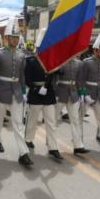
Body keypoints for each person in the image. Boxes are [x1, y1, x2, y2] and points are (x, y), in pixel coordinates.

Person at [0, 19, 33, 167]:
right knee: (0, 119)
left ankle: (23, 153)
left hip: (16, 92)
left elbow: (22, 76)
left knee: (18, 122)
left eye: (16, 37)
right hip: (1, 91)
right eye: (12, 37)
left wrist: (24, 90)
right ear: (6, 38)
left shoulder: (22, 55)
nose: (14, 39)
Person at [24, 29, 63, 160]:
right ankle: (28, 139)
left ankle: (53, 147)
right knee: (32, 120)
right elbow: (27, 80)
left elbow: (59, 73)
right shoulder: (30, 61)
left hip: (48, 94)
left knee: (51, 122)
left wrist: (58, 67)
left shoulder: (51, 61)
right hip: (36, 94)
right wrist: (36, 89)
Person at [54, 53, 90, 155]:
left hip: (73, 94)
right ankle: (51, 143)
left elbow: (80, 80)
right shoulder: (61, 61)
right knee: (54, 118)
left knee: (75, 120)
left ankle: (78, 145)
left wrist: (82, 93)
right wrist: (54, 92)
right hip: (61, 92)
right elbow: (55, 77)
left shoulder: (79, 63)